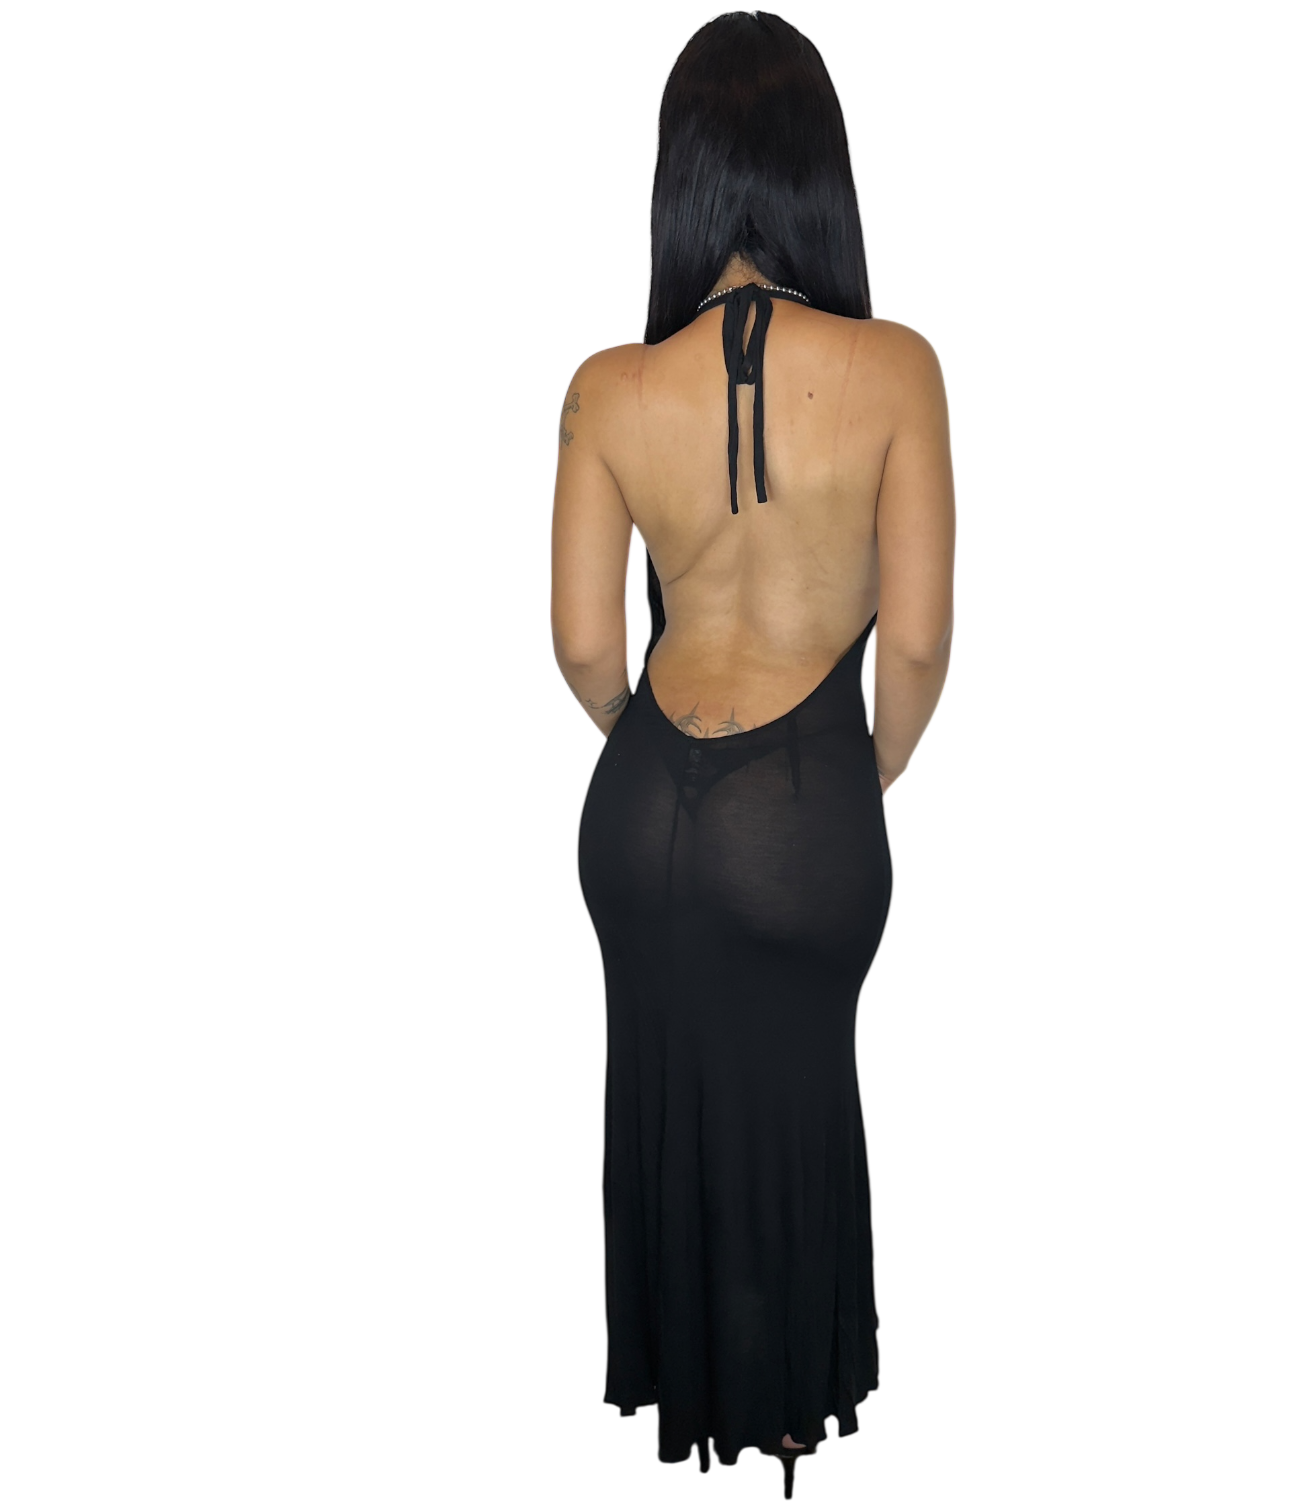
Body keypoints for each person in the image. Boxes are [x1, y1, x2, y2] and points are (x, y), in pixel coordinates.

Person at [552, 12, 954, 1471]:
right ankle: (779, 1413)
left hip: (640, 805)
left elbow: (586, 644)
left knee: (671, 1090)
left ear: (684, 181)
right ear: (813, 175)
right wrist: (865, 770)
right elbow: (915, 643)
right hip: (805, 795)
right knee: (792, 1098)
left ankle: (686, 1393)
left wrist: (644, 748)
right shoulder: (896, 365)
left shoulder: (608, 385)